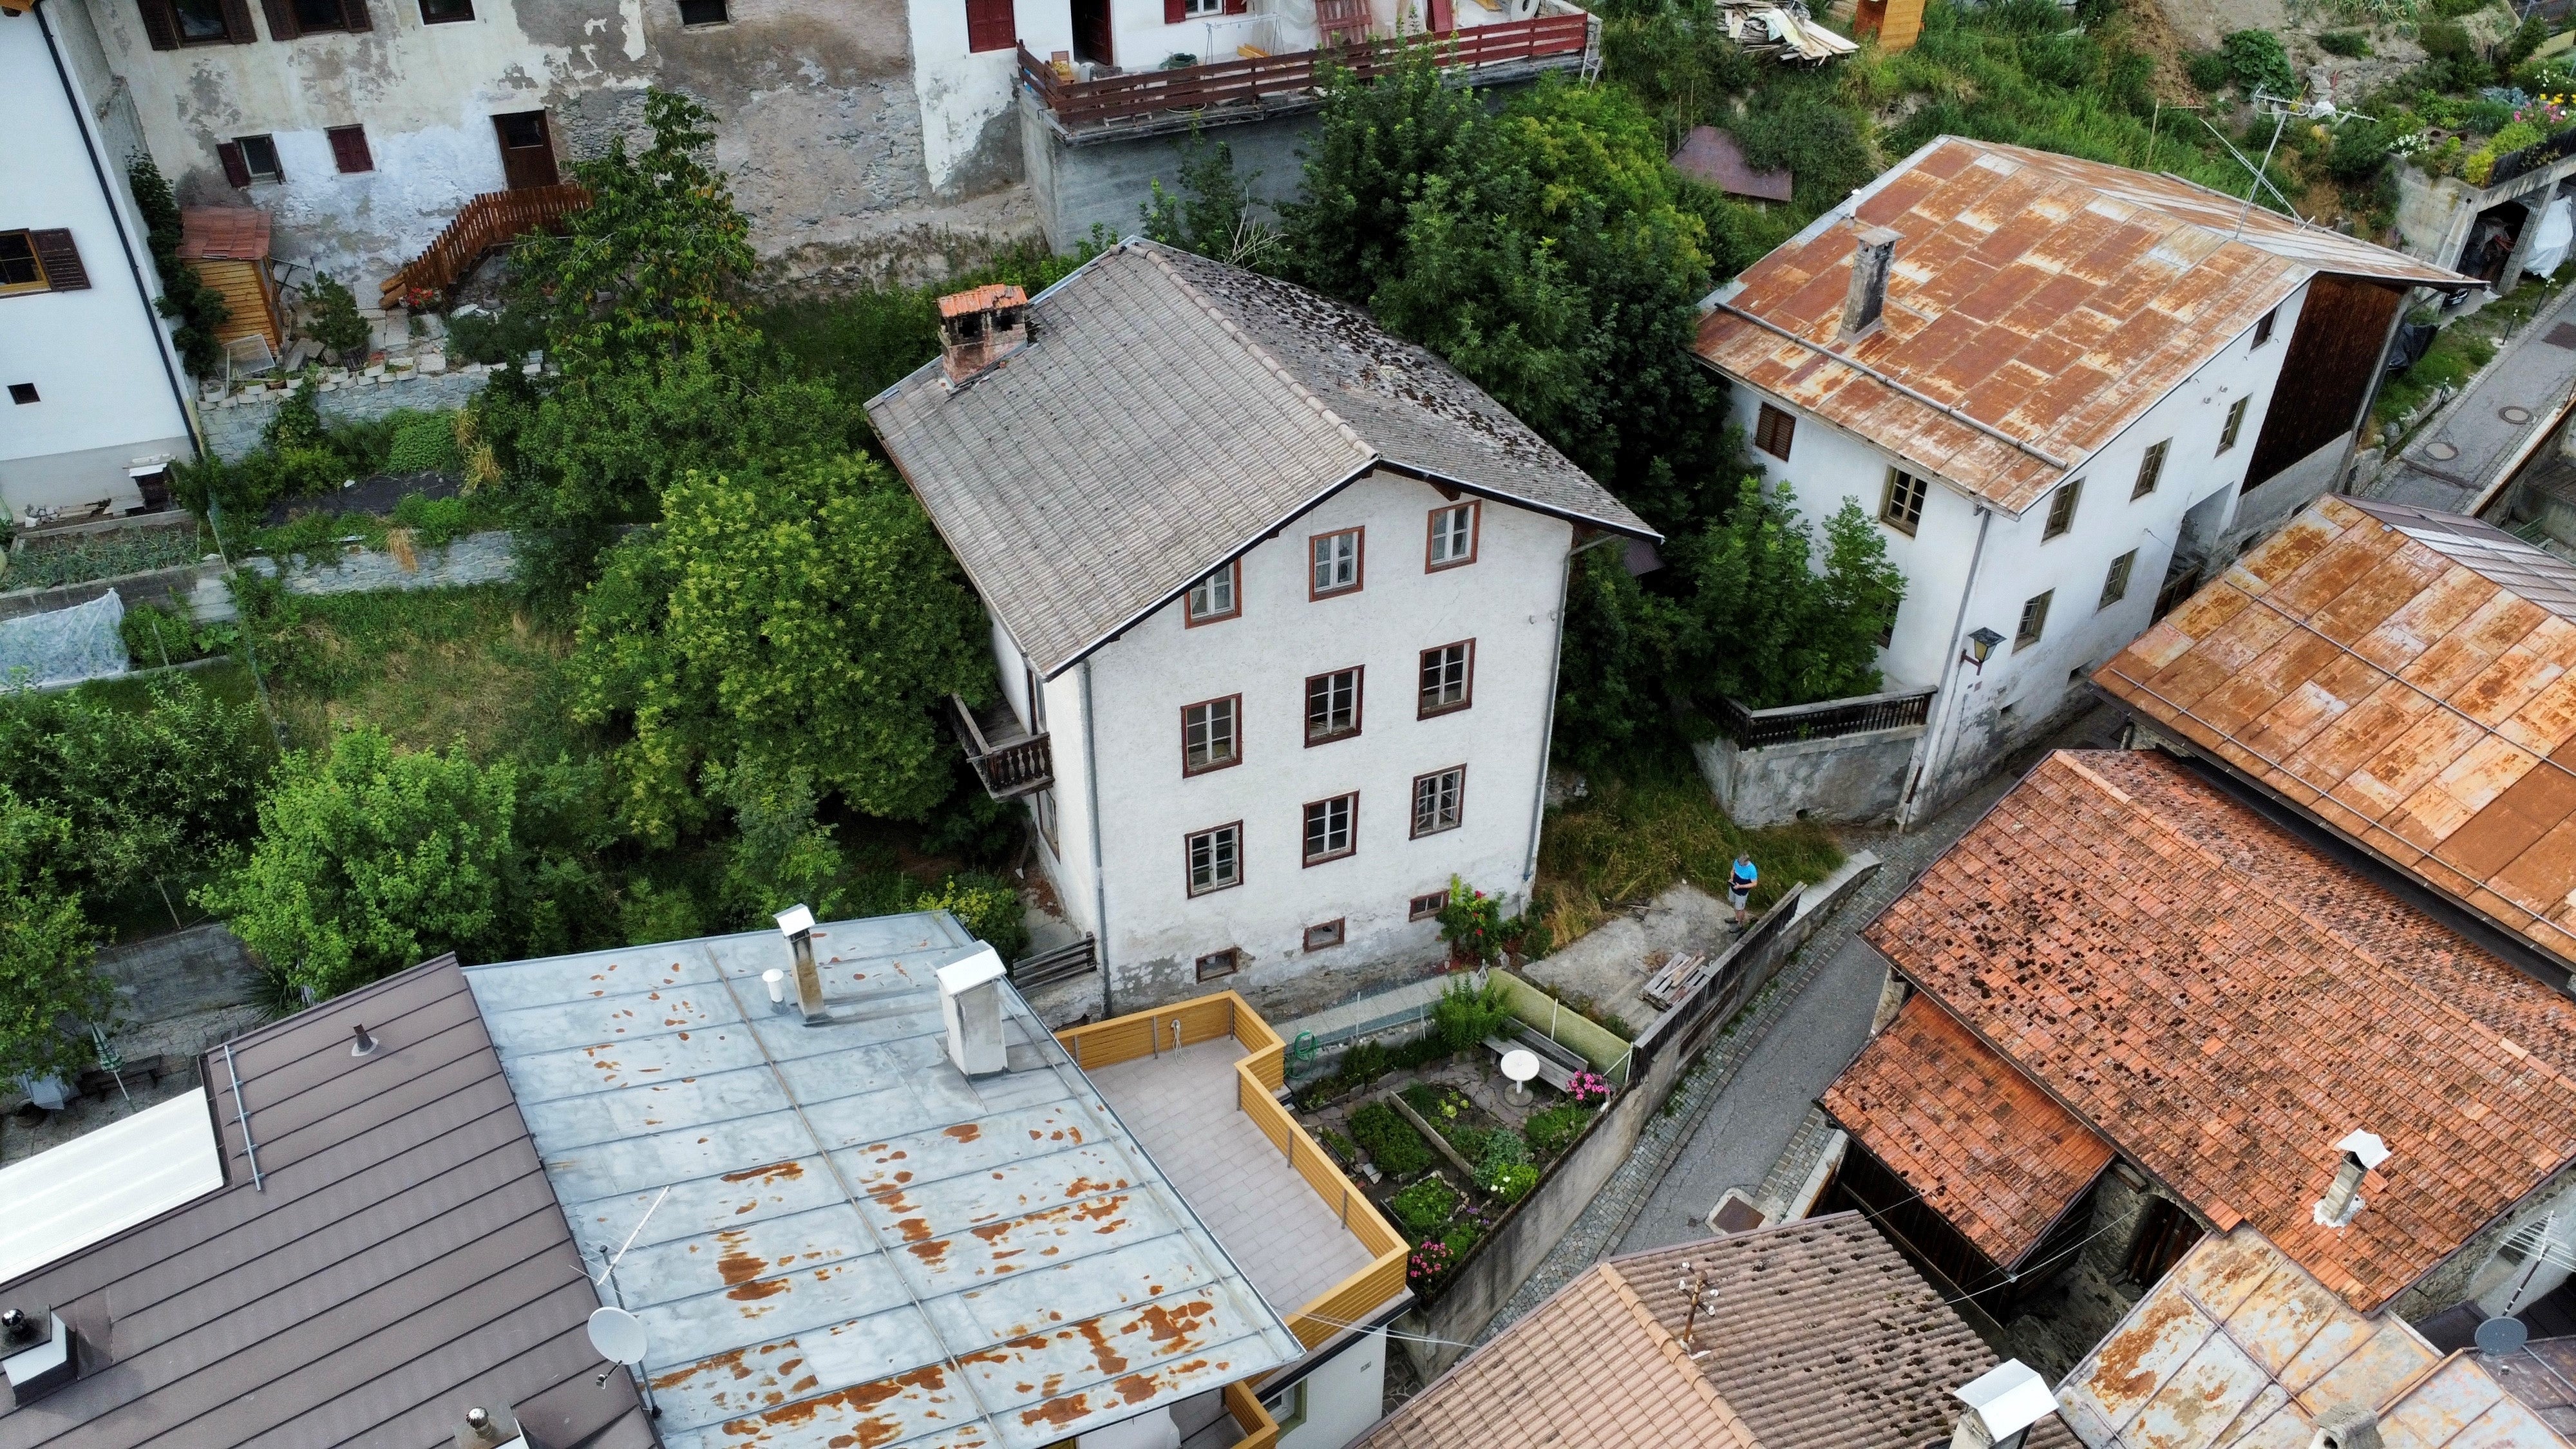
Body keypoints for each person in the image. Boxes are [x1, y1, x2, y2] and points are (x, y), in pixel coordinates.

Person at [1728, 853, 1758, 932]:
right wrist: (1731, 879)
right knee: (1733, 902)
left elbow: (1754, 884)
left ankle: (1740, 924)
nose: (1739, 865)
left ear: (1747, 861)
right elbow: (1733, 871)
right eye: (1739, 863)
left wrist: (1741, 886)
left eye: (1741, 864)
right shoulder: (1737, 862)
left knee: (1740, 908)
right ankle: (1736, 918)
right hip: (1733, 888)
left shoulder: (1752, 870)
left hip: (1741, 893)